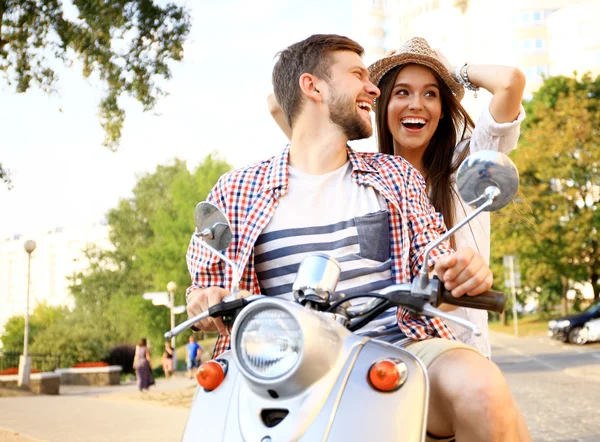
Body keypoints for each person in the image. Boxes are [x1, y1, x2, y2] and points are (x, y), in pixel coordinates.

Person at [186, 34, 530, 441]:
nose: (373, 89)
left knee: (482, 388)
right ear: (312, 87)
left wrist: (456, 270)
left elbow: (434, 257)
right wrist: (204, 303)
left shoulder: (395, 175)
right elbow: (205, 288)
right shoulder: (236, 190)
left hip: (400, 348)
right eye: (358, 75)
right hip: (281, 370)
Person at [268, 37, 526, 359]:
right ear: (381, 102)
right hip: (381, 356)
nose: (416, 104)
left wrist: (452, 72)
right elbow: (276, 102)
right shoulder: (362, 181)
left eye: (430, 94)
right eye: (402, 92)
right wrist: (362, 81)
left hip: (457, 353)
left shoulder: (466, 167)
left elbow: (510, 82)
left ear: (443, 112)